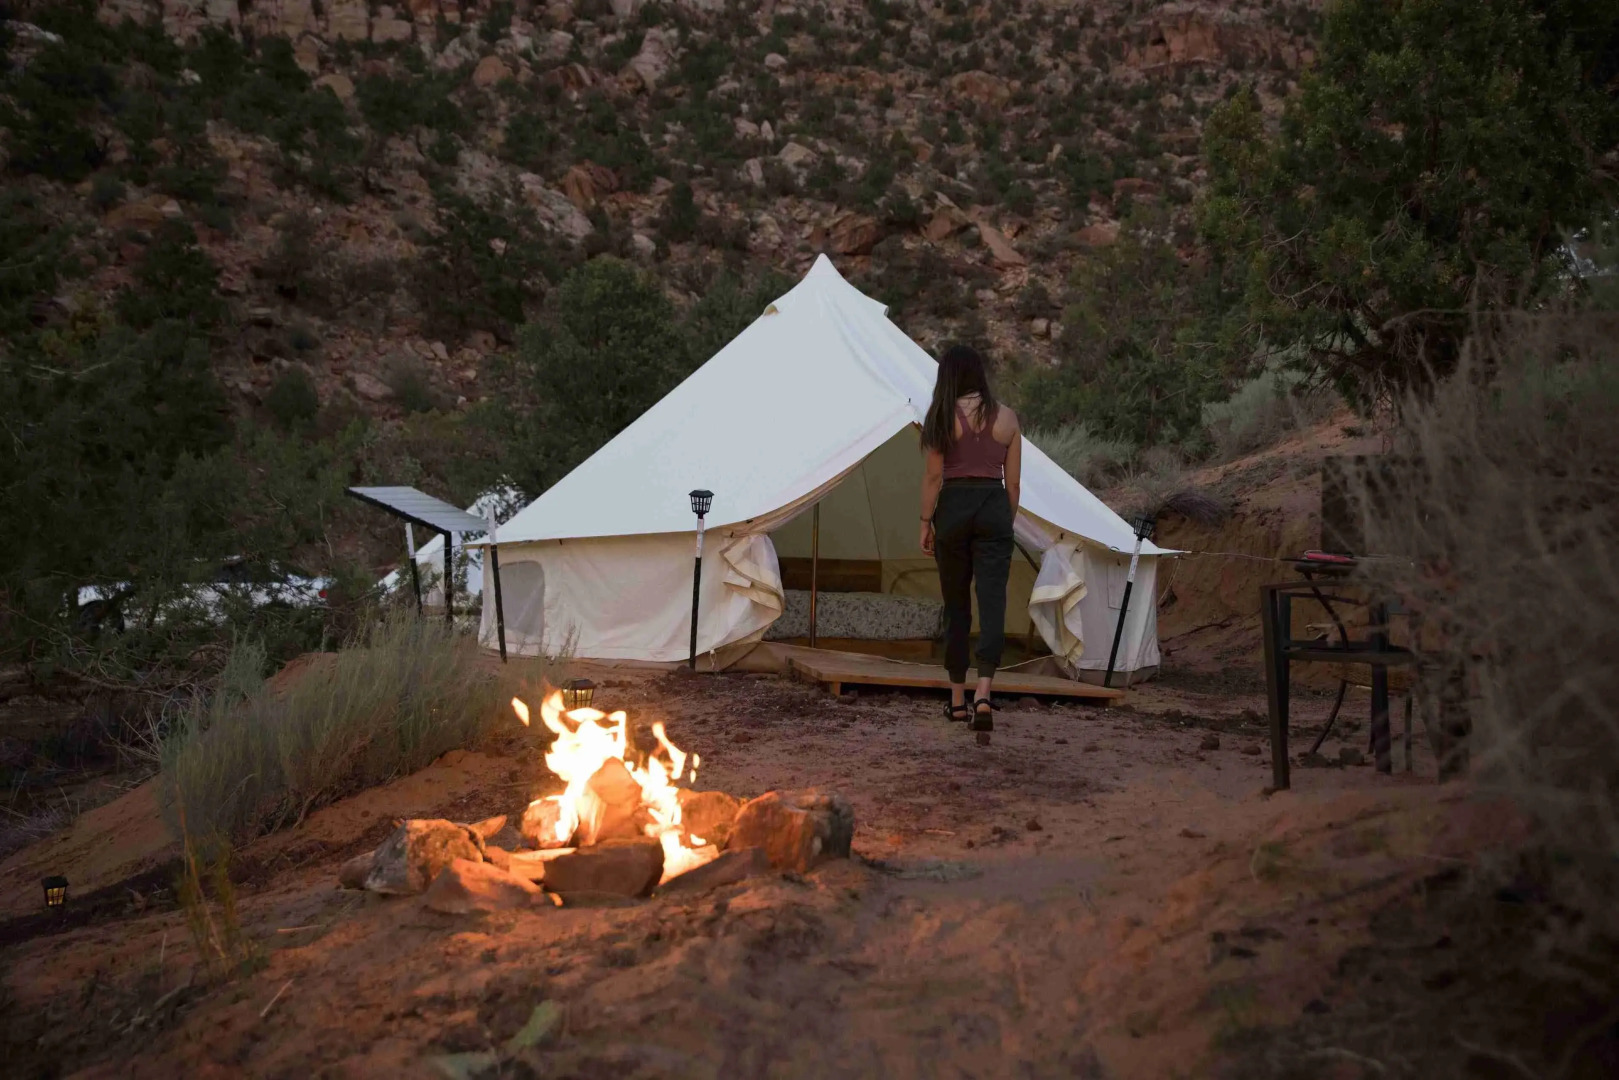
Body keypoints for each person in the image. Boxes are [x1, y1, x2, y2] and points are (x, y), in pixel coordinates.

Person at [918, 344, 1021, 742]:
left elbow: (932, 479)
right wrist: (1002, 524)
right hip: (994, 504)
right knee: (993, 602)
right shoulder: (1008, 418)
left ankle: (957, 700)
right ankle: (983, 695)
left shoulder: (942, 416)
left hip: (954, 508)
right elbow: (1013, 484)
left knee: (957, 605)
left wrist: (925, 523)